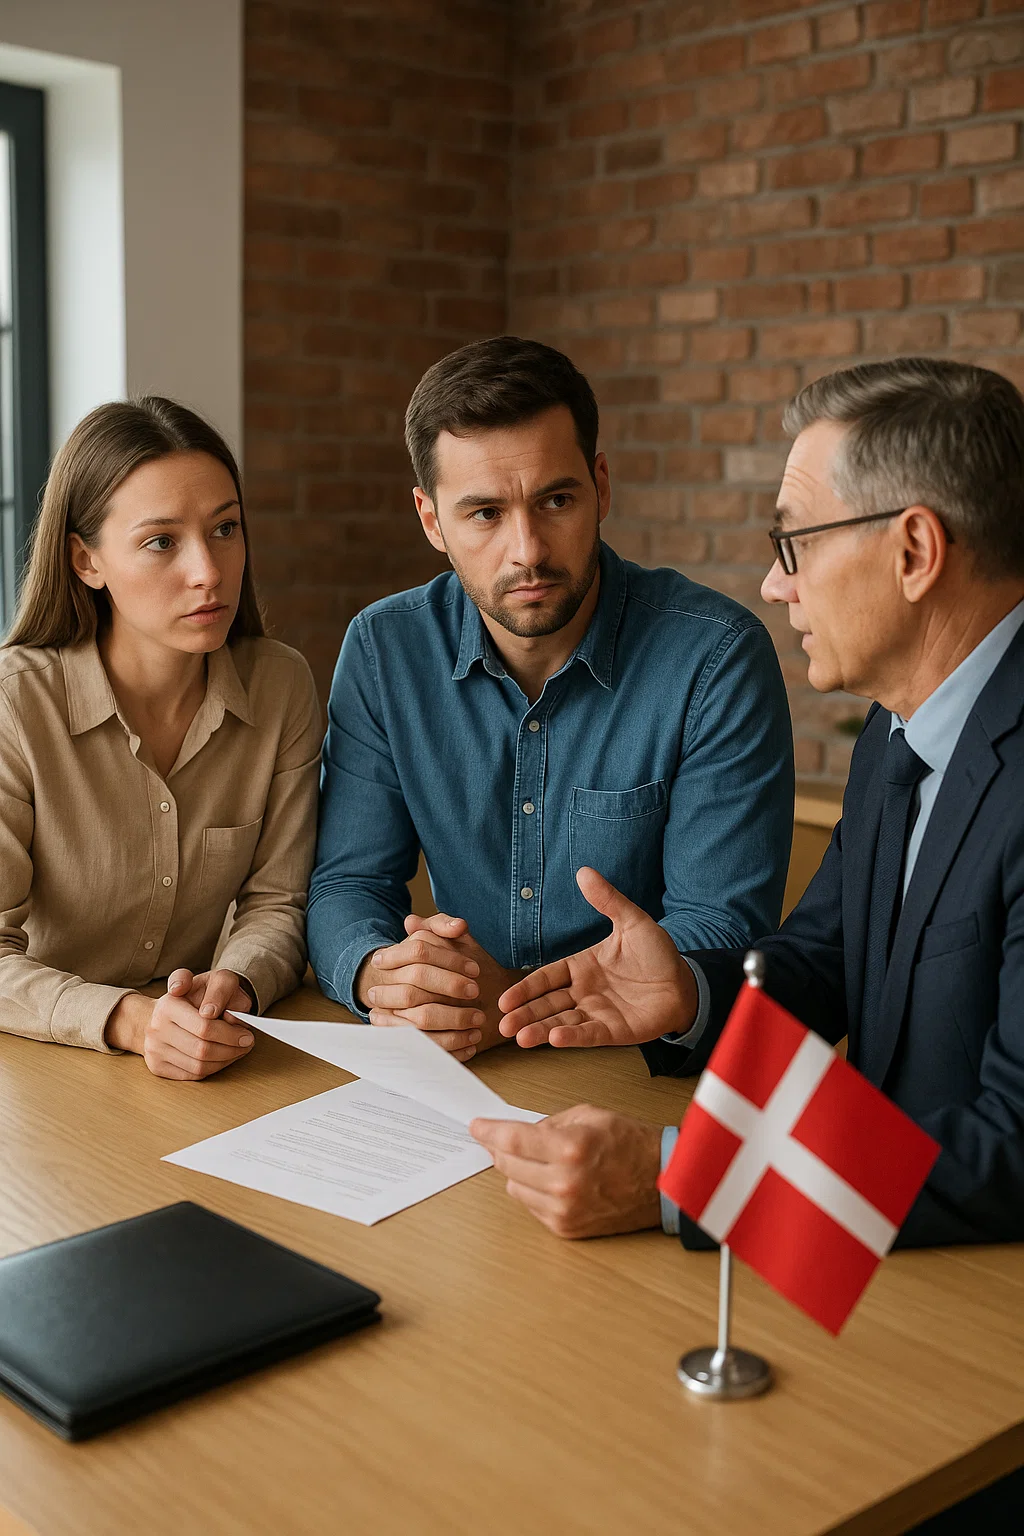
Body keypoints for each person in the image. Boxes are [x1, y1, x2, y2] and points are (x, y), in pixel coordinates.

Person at [473, 356, 1024, 1252]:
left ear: (914, 551)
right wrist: (689, 992)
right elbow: (822, 963)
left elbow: (1010, 1153)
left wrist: (676, 1172)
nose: (775, 584)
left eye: (794, 542)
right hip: (884, 1265)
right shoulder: (900, 727)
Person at [308, 335, 794, 1060]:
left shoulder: (716, 658)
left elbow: (722, 928)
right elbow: (348, 882)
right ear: (430, 519)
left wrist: (513, 997)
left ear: (601, 485)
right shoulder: (385, 651)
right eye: (484, 514)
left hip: (643, 1062)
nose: (527, 550)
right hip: (465, 1069)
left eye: (556, 499)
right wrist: (384, 973)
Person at [0, 397, 321, 1080]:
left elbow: (278, 902)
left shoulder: (280, 686)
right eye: (161, 541)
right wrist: (127, 1018)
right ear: (86, 560)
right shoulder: (15, 703)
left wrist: (234, 982)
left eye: (226, 528)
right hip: (37, 1063)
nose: (208, 570)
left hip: (200, 1061)